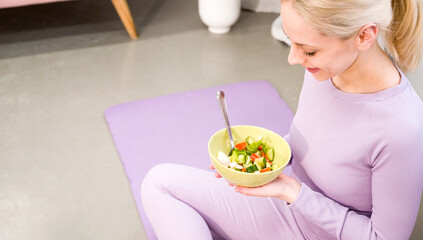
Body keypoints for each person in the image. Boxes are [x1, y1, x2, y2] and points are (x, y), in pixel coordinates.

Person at [141, 0, 423, 239]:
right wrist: (255, 165)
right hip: (285, 206)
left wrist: (294, 193)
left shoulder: (402, 129)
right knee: (159, 182)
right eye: (292, 41)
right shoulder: (326, 68)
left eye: (308, 50)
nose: (293, 58)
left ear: (364, 36)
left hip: (318, 226)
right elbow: (320, 141)